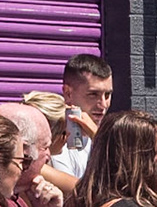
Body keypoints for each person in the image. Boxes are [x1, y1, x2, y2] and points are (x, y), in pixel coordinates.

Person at [46, 53, 115, 192]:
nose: (103, 104)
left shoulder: (97, 138)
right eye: (93, 94)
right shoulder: (55, 139)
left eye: (107, 95)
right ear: (68, 93)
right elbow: (79, 194)